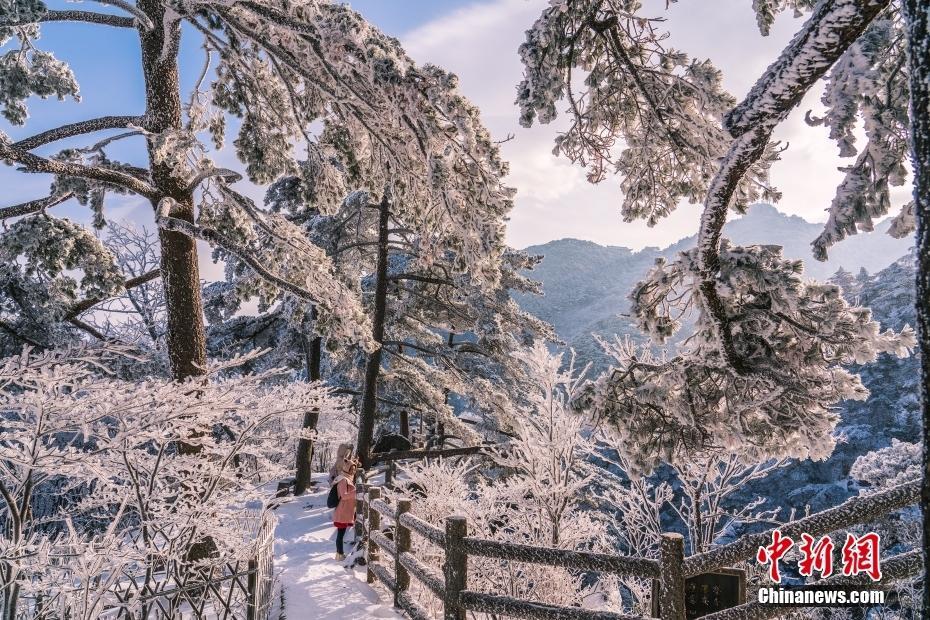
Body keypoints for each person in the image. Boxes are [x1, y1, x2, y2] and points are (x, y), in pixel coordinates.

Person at [332, 455, 358, 560]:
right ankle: (339, 554)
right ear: (347, 469)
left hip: (346, 510)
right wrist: (356, 492)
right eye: (352, 469)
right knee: (340, 533)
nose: (353, 471)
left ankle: (341, 553)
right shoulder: (343, 480)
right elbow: (344, 495)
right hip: (343, 510)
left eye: (354, 469)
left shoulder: (347, 479)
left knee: (342, 533)